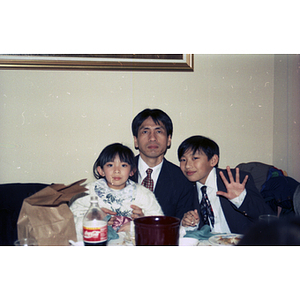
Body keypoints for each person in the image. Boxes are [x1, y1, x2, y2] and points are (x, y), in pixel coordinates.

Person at [178, 135, 274, 234]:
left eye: (195, 158)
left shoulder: (236, 180)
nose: (188, 165)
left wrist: (240, 199)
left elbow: (268, 218)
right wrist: (189, 224)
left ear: (213, 160)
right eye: (183, 160)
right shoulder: (185, 189)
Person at [70, 143, 163, 242]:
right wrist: (95, 219)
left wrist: (139, 224)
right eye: (110, 165)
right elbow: (70, 225)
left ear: (132, 171)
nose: (117, 170)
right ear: (101, 170)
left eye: (123, 165)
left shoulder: (143, 194)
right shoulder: (86, 193)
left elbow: (160, 225)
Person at [130, 108, 195, 220]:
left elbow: (182, 224)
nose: (152, 138)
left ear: (169, 140)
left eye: (158, 131)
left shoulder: (182, 179)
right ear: (136, 140)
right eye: (145, 131)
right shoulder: (119, 171)